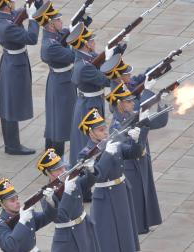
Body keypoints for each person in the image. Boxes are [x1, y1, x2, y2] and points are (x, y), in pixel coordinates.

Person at [105, 53, 170, 233]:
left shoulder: (129, 115)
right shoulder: (118, 125)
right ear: (120, 105)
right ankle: (137, 226)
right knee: (135, 196)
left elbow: (158, 123)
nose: (132, 103)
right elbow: (123, 148)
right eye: (128, 101)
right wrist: (149, 93)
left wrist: (161, 103)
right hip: (130, 163)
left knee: (144, 191)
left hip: (140, 155)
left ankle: (143, 223)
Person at [0, 0, 43, 155]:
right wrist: (34, 19)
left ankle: (11, 143)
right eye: (12, 0)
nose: (14, 3)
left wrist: (36, 0)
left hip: (12, 61)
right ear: (6, 3)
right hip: (14, 64)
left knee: (8, 103)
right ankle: (12, 146)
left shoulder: (4, 17)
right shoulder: (7, 26)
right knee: (10, 105)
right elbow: (32, 38)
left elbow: (19, 13)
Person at [78, 108, 141, 251]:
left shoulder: (111, 142)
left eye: (105, 128)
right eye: (100, 130)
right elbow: (97, 176)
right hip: (105, 195)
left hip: (121, 191)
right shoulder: (85, 154)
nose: (105, 132)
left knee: (126, 232)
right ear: (90, 132)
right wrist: (107, 154)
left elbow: (132, 153)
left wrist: (136, 140)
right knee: (107, 236)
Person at [66, 22, 126, 167]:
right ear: (86, 44)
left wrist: (117, 51)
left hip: (92, 101)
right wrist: (113, 61)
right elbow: (106, 79)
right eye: (91, 40)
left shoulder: (87, 57)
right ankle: (85, 170)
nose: (94, 42)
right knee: (89, 140)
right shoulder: (84, 66)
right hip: (89, 105)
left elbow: (101, 62)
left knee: (97, 136)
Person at [32, 1, 76, 156]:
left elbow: (69, 31)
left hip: (59, 80)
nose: (61, 22)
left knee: (55, 122)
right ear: (50, 24)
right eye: (57, 20)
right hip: (61, 83)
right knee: (60, 123)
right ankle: (56, 160)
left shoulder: (54, 35)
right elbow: (73, 56)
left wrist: (83, 19)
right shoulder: (50, 45)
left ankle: (49, 155)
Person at [36, 148, 100, 252]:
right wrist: (67, 192)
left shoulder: (70, 180)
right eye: (58, 170)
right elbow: (61, 216)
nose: (63, 171)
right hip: (67, 237)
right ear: (48, 172)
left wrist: (91, 170)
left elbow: (87, 183)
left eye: (63, 167)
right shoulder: (46, 195)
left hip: (84, 227)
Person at [0, 177, 56, 252]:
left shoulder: (24, 214)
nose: (17, 202)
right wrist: (22, 222)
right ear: (2, 204)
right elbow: (10, 246)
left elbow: (49, 217)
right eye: (12, 200)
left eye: (17, 198)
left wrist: (50, 201)